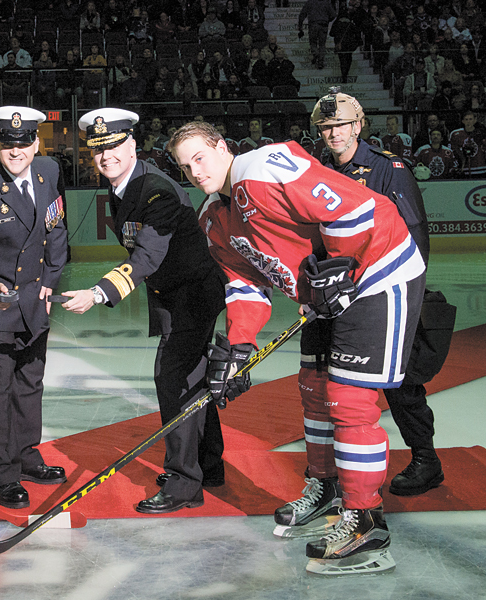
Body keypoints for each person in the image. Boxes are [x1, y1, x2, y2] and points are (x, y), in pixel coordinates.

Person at [168, 120, 425, 576]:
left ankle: (366, 523)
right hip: (326, 296)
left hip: (378, 272)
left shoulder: (263, 167)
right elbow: (246, 286)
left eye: (200, 157)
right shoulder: (211, 218)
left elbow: (358, 208)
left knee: (349, 401)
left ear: (222, 146)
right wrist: (238, 347)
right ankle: (326, 487)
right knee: (313, 390)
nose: (195, 171)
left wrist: (342, 270)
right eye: (185, 166)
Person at [62, 109, 227, 513]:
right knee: (191, 378)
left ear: (132, 144)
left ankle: (185, 482)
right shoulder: (123, 187)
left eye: (115, 146)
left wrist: (98, 293)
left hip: (192, 294)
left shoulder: (156, 191)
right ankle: (208, 465)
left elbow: (146, 257)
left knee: (172, 380)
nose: (107, 157)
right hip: (173, 294)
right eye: (99, 150)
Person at [311, 87, 444, 497]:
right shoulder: (319, 171)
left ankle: (426, 459)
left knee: (398, 383)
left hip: (386, 291)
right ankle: (340, 468)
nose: (334, 134)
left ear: (359, 125)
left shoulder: (390, 169)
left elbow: (415, 236)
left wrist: (406, 296)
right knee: (338, 384)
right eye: (327, 127)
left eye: (342, 126)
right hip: (339, 296)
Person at [0, 106, 69, 509]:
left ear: (36, 143)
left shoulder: (49, 173)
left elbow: (56, 231)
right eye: (7, 143)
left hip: (37, 300)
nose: (16, 150)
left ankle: (26, 456)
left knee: (29, 385)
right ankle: (2, 473)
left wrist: (51, 283)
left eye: (23, 143)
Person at [297, 0, 336, 69]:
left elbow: (302, 14)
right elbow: (333, 15)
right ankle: (320, 62)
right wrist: (327, 20)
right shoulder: (326, 2)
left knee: (313, 42)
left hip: (313, 24)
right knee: (322, 44)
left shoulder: (309, 2)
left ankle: (316, 53)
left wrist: (300, 26)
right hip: (324, 25)